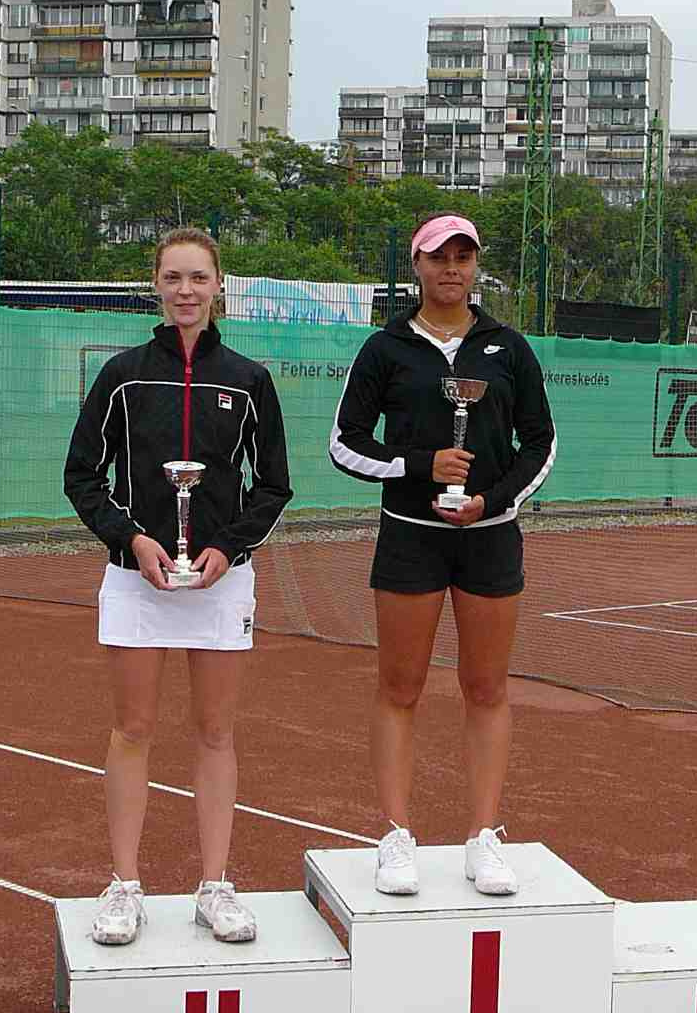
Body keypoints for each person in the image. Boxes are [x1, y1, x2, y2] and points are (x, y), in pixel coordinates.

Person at [64, 227, 292, 946]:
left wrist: (227, 546)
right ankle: (125, 885)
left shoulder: (249, 380)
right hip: (138, 581)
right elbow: (82, 475)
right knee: (133, 729)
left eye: (199, 278)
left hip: (221, 584)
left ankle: (215, 885)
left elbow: (274, 485)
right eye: (174, 278)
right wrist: (132, 538)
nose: (186, 291)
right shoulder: (123, 375)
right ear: (155, 286)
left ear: (219, 285)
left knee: (216, 732)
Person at [329, 214, 556, 896]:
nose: (451, 269)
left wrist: (497, 501)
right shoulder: (385, 349)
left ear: (475, 267)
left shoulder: (507, 348)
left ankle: (484, 836)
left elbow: (540, 444)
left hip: (489, 538)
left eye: (463, 257)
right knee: (401, 689)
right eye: (438, 257)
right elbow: (345, 444)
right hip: (409, 535)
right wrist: (419, 465)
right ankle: (396, 836)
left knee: (486, 688)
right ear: (417, 265)